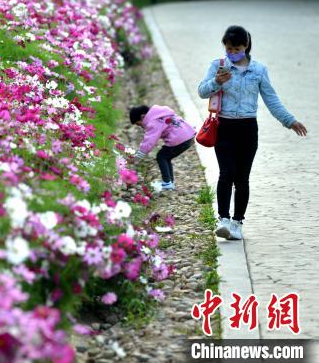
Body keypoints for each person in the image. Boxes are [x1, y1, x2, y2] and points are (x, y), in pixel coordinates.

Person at [197, 25, 307, 241]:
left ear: (246, 46)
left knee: (242, 178)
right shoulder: (218, 65)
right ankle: (223, 220)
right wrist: (216, 82)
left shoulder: (258, 70)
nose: (232, 53)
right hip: (224, 126)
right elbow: (202, 91)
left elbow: (271, 100)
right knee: (226, 173)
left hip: (247, 129)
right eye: (228, 49)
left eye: (236, 49)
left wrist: (290, 121)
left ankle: (237, 223)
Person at [130, 104, 196, 191]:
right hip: (188, 135)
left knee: (161, 156)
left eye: (139, 124)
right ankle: (169, 182)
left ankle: (167, 182)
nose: (141, 127)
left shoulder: (153, 121)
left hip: (179, 139)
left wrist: (139, 154)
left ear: (142, 117)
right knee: (166, 156)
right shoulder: (161, 113)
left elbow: (150, 139)